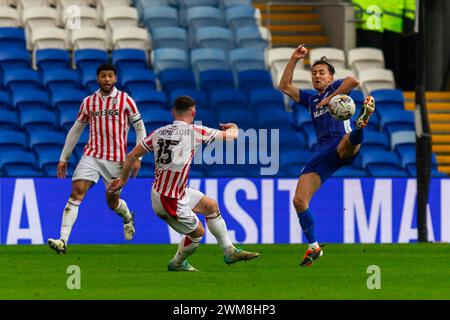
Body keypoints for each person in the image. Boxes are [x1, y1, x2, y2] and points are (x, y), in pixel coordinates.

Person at [108, 95, 260, 272]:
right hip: (169, 200)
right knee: (197, 233)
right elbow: (232, 136)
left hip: (169, 192)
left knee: (211, 206)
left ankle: (229, 251)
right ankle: (177, 263)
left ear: (173, 112)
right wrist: (234, 127)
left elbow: (132, 156)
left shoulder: (158, 133)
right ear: (193, 113)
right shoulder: (195, 131)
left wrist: (123, 180)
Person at [278, 45, 375, 266]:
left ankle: (360, 127)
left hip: (341, 143)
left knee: (345, 145)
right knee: (299, 200)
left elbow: (353, 80)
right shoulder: (310, 100)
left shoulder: (338, 88)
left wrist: (330, 97)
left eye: (321, 72)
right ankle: (314, 248)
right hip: (322, 151)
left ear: (331, 77)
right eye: (314, 73)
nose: (317, 76)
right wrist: (294, 59)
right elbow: (284, 86)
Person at [48, 63, 147, 254]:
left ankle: (127, 217)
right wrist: (64, 157)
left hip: (116, 160)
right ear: (97, 78)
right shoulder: (89, 102)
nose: (107, 79)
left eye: (110, 76)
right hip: (92, 155)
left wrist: (138, 157)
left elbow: (140, 128)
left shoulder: (126, 100)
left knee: (112, 202)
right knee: (76, 192)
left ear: (115, 78)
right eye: (103, 76)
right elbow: (76, 129)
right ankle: (63, 240)